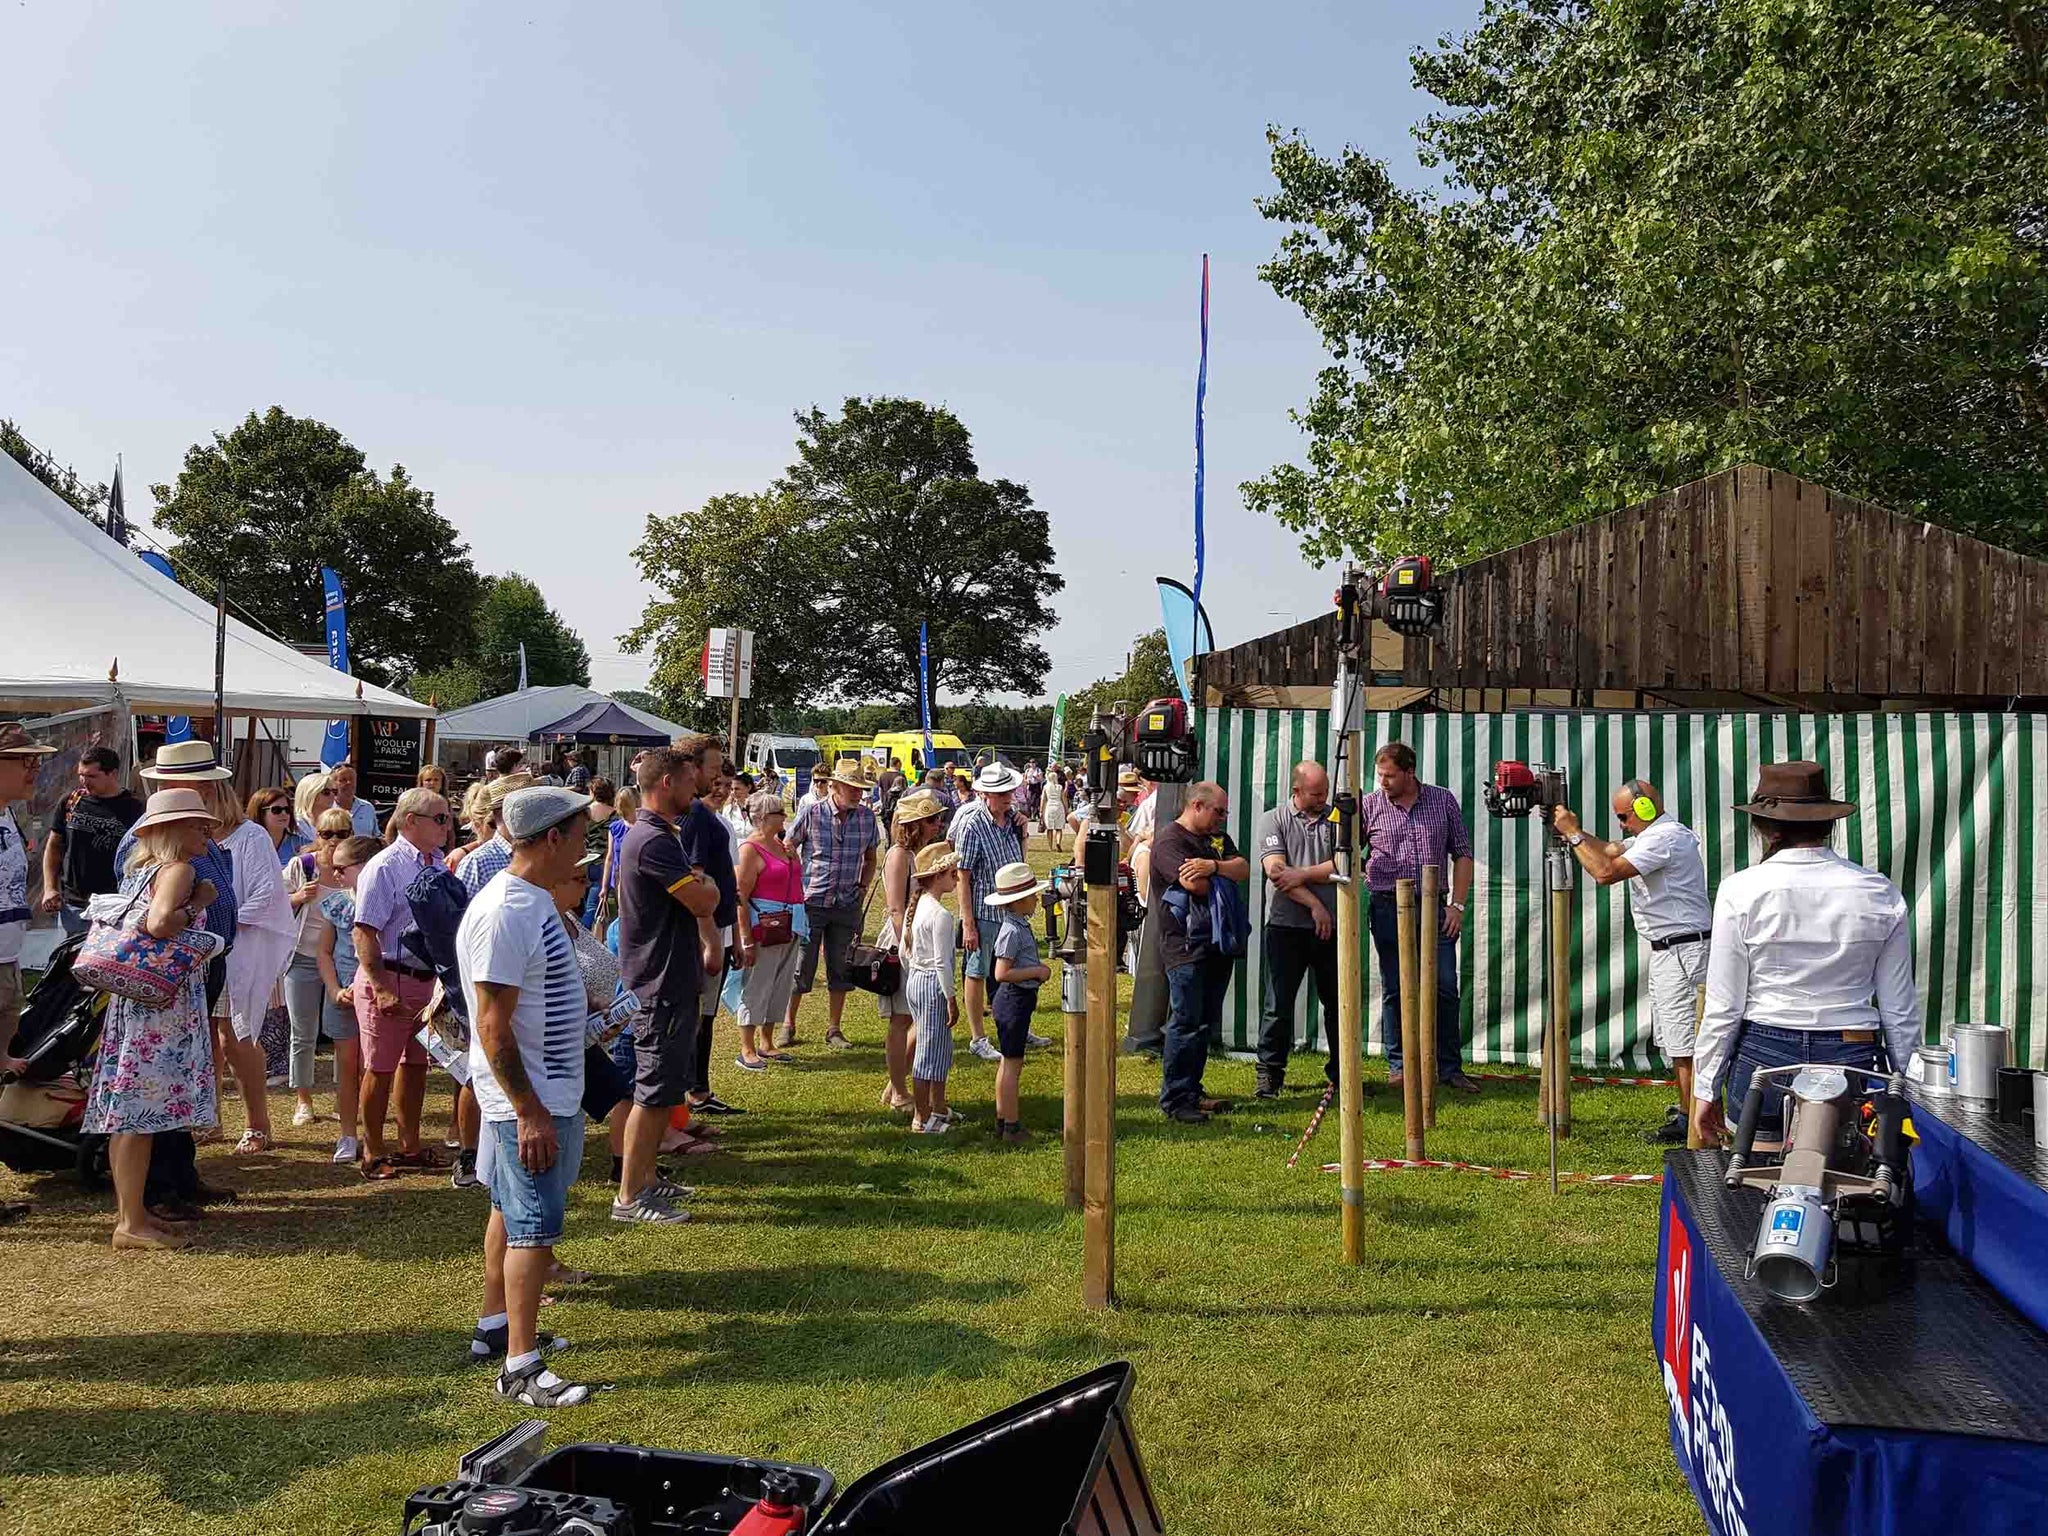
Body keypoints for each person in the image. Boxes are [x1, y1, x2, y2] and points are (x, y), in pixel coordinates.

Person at [457, 785, 602, 1406]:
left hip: (547, 1092)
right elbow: (492, 1022)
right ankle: (521, 1365)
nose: (584, 848)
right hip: (531, 1102)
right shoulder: (508, 910)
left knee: (509, 1211)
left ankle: (497, 1328)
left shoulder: (529, 901)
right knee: (534, 1229)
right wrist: (530, 1112)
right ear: (551, 839)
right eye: (578, 836)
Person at [1692, 762, 1919, 1148]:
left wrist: (1705, 1087)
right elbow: (1899, 1010)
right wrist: (1909, 1088)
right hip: (1853, 1050)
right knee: (1852, 1187)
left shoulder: (1740, 890)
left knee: (1753, 1184)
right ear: (1827, 823)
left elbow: (1724, 1005)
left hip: (1765, 1049)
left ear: (1768, 828)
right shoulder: (1879, 891)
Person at [79, 787, 225, 1250]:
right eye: (197, 823)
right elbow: (160, 924)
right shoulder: (180, 871)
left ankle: (133, 1215)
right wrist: (198, 900)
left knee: (133, 1116)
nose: (206, 830)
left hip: (140, 1001)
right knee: (138, 1117)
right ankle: (130, 1223)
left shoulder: (142, 871)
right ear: (171, 830)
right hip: (160, 1009)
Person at [1553, 779, 1712, 1143]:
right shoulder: (1651, 836)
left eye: (1624, 816)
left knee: (1686, 1042)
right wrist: (1571, 830)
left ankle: (1694, 1123)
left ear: (1644, 808)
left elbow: (1605, 872)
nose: (1622, 824)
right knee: (1677, 1039)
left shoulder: (1664, 838)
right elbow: (1609, 850)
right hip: (1672, 949)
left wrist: (1574, 833)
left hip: (1682, 950)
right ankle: (1690, 1114)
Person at [614, 748, 718, 1223]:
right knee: (652, 1091)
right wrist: (709, 886)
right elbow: (700, 900)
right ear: (665, 784)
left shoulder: (658, 835)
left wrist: (701, 885)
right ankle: (631, 1196)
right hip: (657, 983)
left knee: (663, 1089)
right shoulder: (652, 840)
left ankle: (648, 1180)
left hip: (668, 978)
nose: (695, 789)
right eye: (688, 781)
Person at [1362, 742, 1479, 1094]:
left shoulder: (1442, 800)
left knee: (1444, 985)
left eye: (1390, 775)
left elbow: (1463, 855)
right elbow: (1348, 848)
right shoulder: (1370, 804)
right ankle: (1399, 1066)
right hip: (1385, 903)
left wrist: (1457, 906)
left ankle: (1449, 1067)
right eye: (1380, 775)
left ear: (1410, 772)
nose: (1382, 781)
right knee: (1396, 986)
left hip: (1434, 904)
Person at [350, 786, 453, 1178]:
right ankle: (372, 1151)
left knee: (415, 1064)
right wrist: (379, 986)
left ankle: (409, 1146)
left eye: (448, 818)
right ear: (411, 821)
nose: (448, 826)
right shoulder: (385, 866)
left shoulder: (437, 863)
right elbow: (363, 932)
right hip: (391, 975)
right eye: (440, 818)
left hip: (425, 979)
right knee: (380, 1067)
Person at [1150, 781, 1250, 1123]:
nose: (1222, 818)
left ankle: (1192, 1090)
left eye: (1225, 812)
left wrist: (1214, 867)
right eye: (1218, 811)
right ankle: (1176, 1099)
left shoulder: (1215, 841)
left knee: (1204, 1022)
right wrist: (1219, 874)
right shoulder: (1169, 841)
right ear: (1196, 805)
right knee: (1185, 1022)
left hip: (1217, 942)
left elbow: (1244, 868)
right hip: (1185, 946)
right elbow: (1193, 884)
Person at [211, 779, 289, 1153]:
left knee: (236, 1037)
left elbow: (265, 893)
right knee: (205, 1036)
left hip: (236, 949)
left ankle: (257, 1124)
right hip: (200, 951)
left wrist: (222, 923)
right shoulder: (192, 835)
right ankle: (208, 1119)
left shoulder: (250, 836)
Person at [782, 760, 881, 1052]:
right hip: (812, 902)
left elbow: (872, 856)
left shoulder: (866, 818)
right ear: (834, 787)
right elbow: (788, 847)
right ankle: (788, 1024)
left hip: (847, 903)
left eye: (861, 789)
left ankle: (834, 1029)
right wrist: (799, 882)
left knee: (842, 969)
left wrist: (862, 887)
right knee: (802, 967)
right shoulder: (811, 813)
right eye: (852, 788)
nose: (858, 794)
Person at [1256, 762, 1341, 1100]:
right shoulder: (1273, 819)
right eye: (1315, 793)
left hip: (1331, 929)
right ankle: (1269, 1075)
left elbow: (1344, 862)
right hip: (1285, 927)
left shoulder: (1336, 818)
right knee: (1277, 1005)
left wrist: (1302, 874)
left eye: (1324, 792)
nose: (1323, 799)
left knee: (1337, 1004)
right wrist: (1316, 905)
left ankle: (1341, 1074)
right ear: (1296, 791)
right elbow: (1276, 873)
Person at [674, 734, 746, 1117]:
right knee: (700, 1016)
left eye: (724, 778)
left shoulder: (705, 817)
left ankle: (696, 1090)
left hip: (718, 927)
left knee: (705, 1015)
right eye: (715, 774)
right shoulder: (698, 817)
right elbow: (697, 877)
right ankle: (694, 1093)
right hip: (707, 932)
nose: (719, 785)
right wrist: (712, 941)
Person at [284, 809, 364, 1155]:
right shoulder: (302, 866)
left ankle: (341, 1103)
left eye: (340, 832)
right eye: (326, 833)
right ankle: (304, 1100)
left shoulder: (356, 874)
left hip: (344, 965)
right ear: (316, 833)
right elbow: (273, 906)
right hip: (303, 955)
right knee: (303, 1031)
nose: (333, 839)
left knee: (342, 1044)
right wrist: (299, 897)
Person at [950, 762, 1030, 1061]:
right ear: (985, 795)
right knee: (977, 971)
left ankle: (1014, 1026)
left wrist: (1022, 833)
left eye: (1009, 791)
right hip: (984, 912)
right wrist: (968, 922)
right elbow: (963, 875)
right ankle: (977, 1037)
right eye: (1002, 793)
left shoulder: (1013, 821)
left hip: (1012, 911)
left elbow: (1020, 863)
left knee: (1012, 971)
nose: (1009, 796)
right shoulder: (972, 825)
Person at [875, 789, 947, 1108]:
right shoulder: (898, 856)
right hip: (901, 942)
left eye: (939, 819)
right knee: (901, 1019)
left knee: (919, 1015)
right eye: (932, 819)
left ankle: (896, 1083)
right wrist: (907, 945)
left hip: (919, 939)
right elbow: (895, 908)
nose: (938, 825)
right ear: (914, 823)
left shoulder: (919, 854)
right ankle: (898, 1089)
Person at [0, 724, 59, 1080]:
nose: (35, 770)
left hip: (8, 957)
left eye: (36, 761)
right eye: (26, 761)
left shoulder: (9, 813)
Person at [38, 746, 144, 936]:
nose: (84, 781)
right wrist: (50, 888)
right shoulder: (71, 801)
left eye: (91, 776)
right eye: (81, 775)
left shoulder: (135, 808)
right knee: (71, 961)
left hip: (115, 905)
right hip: (74, 906)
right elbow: (54, 846)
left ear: (112, 774)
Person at [734, 790, 805, 1070]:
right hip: (764, 926)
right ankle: (747, 1047)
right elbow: (740, 896)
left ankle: (767, 1041)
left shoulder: (784, 846)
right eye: (778, 812)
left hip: (790, 925)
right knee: (758, 985)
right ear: (763, 818)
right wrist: (746, 939)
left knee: (781, 984)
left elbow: (796, 879)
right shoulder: (749, 850)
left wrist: (793, 859)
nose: (784, 816)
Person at [985, 861, 1051, 1145]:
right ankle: (1011, 1126)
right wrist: (1036, 971)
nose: (1036, 898)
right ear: (1019, 900)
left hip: (1018, 1001)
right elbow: (1002, 973)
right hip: (1013, 1000)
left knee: (1010, 1063)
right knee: (1012, 1065)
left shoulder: (1017, 925)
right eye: (1033, 895)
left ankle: (1003, 1120)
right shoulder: (1012, 931)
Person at [904, 843, 963, 1133]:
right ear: (939, 875)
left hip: (916, 979)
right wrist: (951, 998)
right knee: (928, 1052)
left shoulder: (919, 906)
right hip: (931, 983)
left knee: (938, 1048)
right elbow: (942, 963)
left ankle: (937, 1107)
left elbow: (907, 951)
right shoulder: (940, 915)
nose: (957, 878)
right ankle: (921, 1117)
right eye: (953, 873)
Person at [329, 763, 382, 839]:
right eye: (343, 780)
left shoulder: (367, 807)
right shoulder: (327, 807)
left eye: (352, 779)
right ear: (333, 783)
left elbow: (376, 836)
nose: (349, 783)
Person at [291, 770, 339, 849]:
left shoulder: (336, 822)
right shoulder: (295, 823)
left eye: (334, 791)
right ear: (310, 794)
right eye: (326, 792)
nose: (332, 795)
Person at [1042, 767, 1068, 855]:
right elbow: (1064, 799)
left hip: (1049, 806)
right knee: (1059, 828)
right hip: (1059, 806)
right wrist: (1066, 809)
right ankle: (1058, 843)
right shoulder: (1060, 787)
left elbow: (1043, 800)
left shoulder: (1046, 787)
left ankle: (1050, 847)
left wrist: (1041, 811)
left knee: (1049, 828)